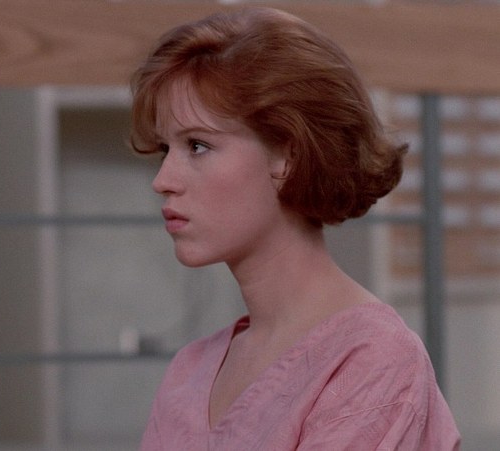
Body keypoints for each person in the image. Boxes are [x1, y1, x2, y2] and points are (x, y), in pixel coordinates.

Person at [130, 7, 460, 450]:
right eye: (164, 149)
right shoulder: (190, 371)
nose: (163, 180)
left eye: (198, 145)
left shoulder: (373, 359)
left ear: (288, 155)